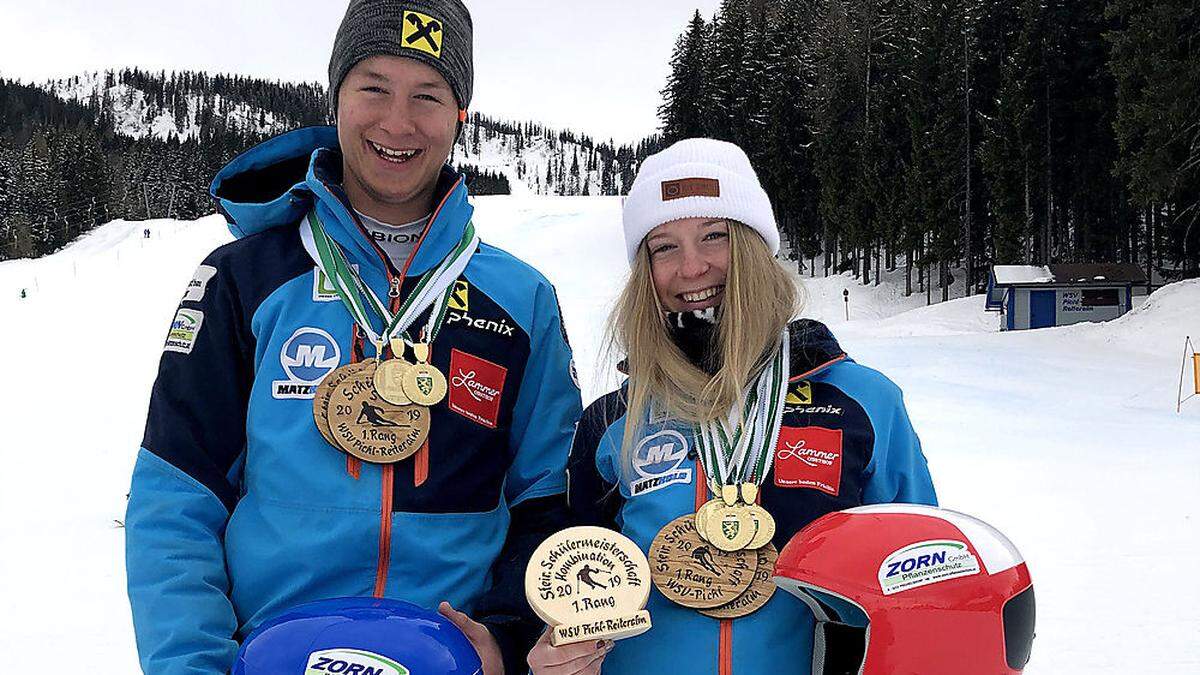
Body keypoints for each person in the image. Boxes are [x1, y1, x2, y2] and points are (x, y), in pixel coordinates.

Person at [125, 2, 581, 674]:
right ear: (335, 94)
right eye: (374, 87)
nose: (398, 123)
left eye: (427, 95)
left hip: (450, 660)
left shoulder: (521, 301)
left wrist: (508, 635)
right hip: (270, 655)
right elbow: (176, 499)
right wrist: (192, 664)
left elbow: (550, 501)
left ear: (460, 116)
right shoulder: (245, 280)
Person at [527, 138, 936, 675]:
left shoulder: (862, 401)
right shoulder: (612, 423)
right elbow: (565, 596)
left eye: (713, 237)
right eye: (663, 247)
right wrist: (557, 661)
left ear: (754, 249)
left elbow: (922, 584)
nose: (691, 268)